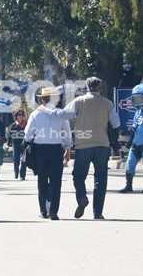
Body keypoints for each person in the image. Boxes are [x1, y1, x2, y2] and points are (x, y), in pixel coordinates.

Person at [39, 77, 120, 219]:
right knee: (101, 179)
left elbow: (63, 115)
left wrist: (46, 110)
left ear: (87, 87)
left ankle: (82, 198)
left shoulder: (79, 101)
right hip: (102, 145)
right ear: (100, 88)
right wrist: (114, 142)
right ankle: (98, 213)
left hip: (83, 146)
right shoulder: (108, 103)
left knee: (78, 176)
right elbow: (116, 123)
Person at [24, 87, 72, 220]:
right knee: (56, 181)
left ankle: (43, 211)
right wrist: (68, 148)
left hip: (40, 150)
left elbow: (28, 135)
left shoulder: (35, 114)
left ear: (41, 100)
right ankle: (53, 212)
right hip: (56, 150)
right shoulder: (61, 114)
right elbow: (67, 133)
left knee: (42, 180)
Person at [8, 110, 27, 180]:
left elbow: (29, 134)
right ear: (16, 116)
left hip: (24, 144)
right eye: (19, 115)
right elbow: (9, 135)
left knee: (24, 160)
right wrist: (8, 144)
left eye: (22, 115)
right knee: (16, 160)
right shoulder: (13, 125)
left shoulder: (26, 125)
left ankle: (22, 175)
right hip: (15, 144)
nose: (20, 116)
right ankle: (16, 172)